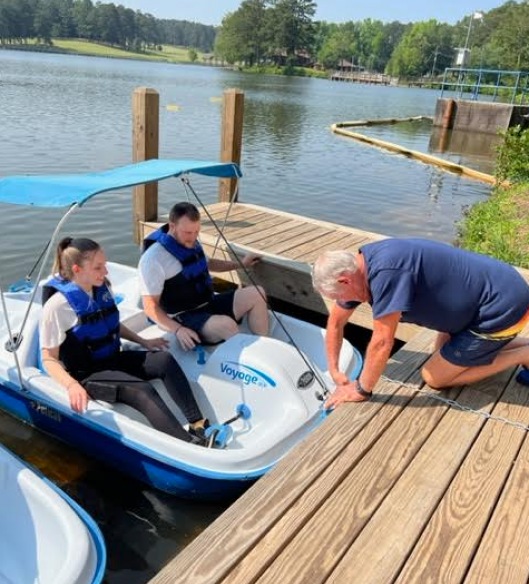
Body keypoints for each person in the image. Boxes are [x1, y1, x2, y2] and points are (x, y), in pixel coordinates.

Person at [312, 238, 529, 408]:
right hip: (491, 296)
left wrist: (361, 390)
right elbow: (335, 323)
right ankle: (519, 346)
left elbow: (382, 342)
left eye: (337, 295)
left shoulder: (386, 274)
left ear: (344, 280)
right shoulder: (359, 267)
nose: (340, 301)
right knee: (441, 356)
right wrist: (335, 370)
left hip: (502, 308)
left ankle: (524, 354)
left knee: (435, 377)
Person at [40, 237, 210, 445]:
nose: (105, 272)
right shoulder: (57, 307)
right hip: (88, 374)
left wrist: (143, 341)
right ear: (77, 269)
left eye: (105, 265)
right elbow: (49, 358)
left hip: (114, 358)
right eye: (98, 267)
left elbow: (109, 324)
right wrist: (71, 385)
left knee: (164, 360)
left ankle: (198, 424)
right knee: (142, 390)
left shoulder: (102, 288)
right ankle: (189, 445)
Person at [139, 202, 269, 350]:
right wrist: (178, 329)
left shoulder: (191, 241)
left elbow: (209, 264)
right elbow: (150, 307)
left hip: (208, 303)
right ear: (172, 226)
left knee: (257, 293)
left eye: (197, 232)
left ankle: (263, 348)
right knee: (227, 324)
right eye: (188, 233)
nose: (193, 237)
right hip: (183, 317)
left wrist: (241, 264)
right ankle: (247, 363)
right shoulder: (153, 259)